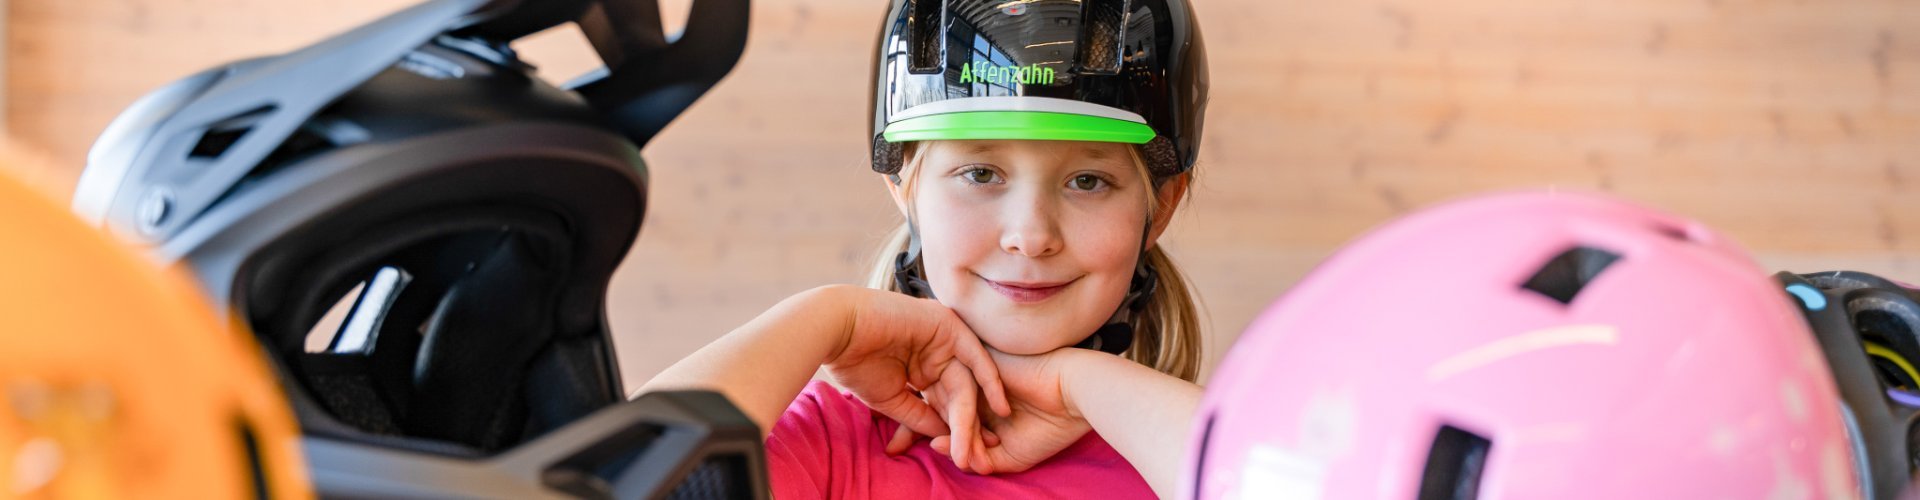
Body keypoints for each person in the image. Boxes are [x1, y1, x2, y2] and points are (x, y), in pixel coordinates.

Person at [639, 0, 1212, 497]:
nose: (1031, 236)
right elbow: (616, 477)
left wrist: (1082, 386)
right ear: (904, 188)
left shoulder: (1176, 449)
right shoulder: (826, 443)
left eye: (1088, 181)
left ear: (1157, 208)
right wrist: (828, 319)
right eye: (981, 173)